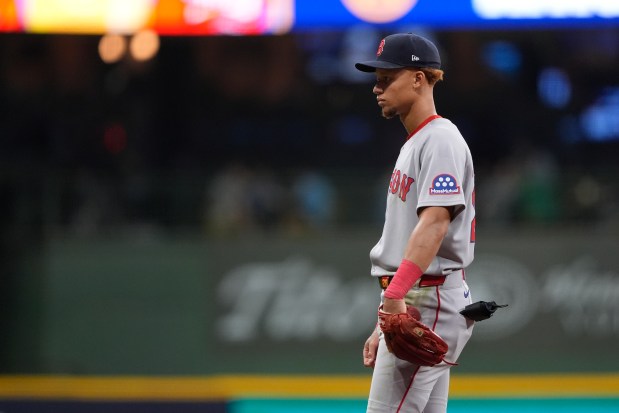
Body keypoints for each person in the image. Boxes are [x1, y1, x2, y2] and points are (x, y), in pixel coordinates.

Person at [355, 33, 476, 412]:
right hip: (419, 297)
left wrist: (394, 297)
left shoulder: (440, 140)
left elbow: (435, 225)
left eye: (387, 78)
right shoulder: (418, 141)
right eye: (377, 79)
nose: (377, 87)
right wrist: (384, 318)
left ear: (419, 78)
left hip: (429, 298)